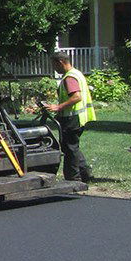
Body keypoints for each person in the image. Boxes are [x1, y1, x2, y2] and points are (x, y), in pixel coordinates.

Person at [43, 50, 95, 183]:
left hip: (71, 119)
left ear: (60, 62)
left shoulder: (69, 78)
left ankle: (73, 178)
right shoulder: (76, 73)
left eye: (54, 65)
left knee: (70, 149)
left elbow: (76, 97)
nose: (54, 68)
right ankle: (85, 174)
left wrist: (58, 107)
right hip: (77, 118)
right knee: (72, 146)